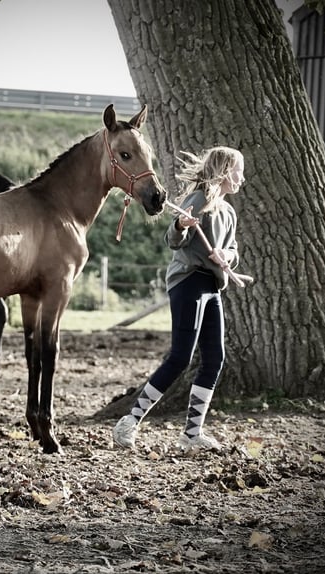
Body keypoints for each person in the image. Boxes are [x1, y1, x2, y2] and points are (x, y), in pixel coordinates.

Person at [112, 145, 246, 453]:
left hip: (212, 286)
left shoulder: (228, 211)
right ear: (225, 171)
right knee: (181, 357)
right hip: (189, 281)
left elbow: (234, 249)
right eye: (239, 171)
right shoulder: (197, 200)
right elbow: (173, 240)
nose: (242, 178)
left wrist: (226, 254)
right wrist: (180, 225)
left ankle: (192, 433)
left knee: (215, 358)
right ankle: (129, 422)